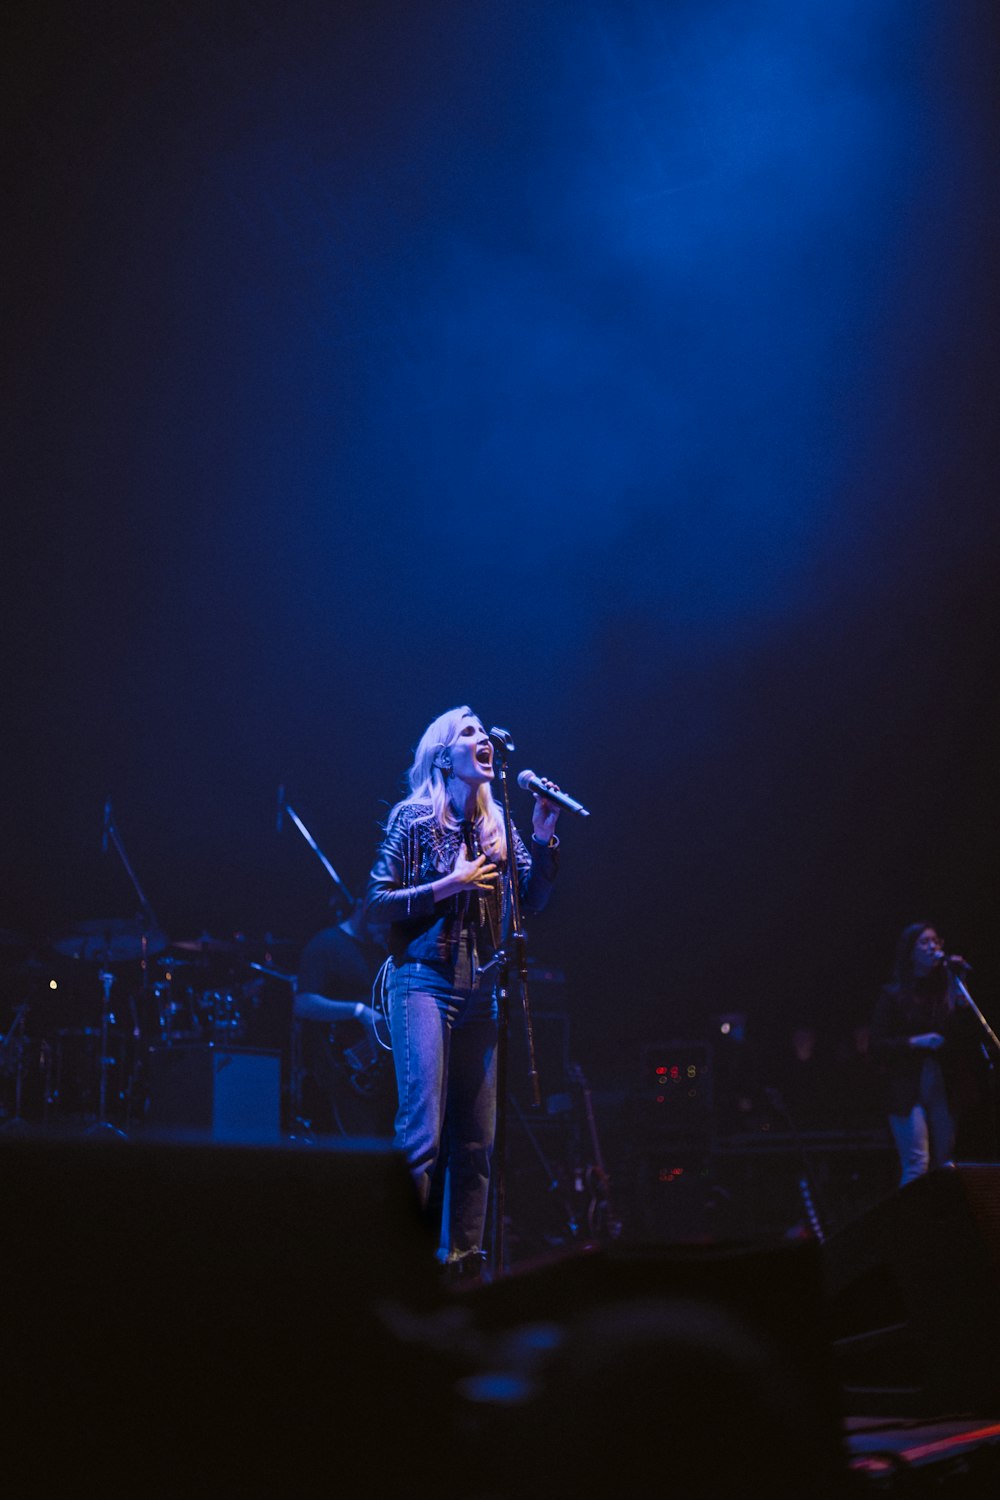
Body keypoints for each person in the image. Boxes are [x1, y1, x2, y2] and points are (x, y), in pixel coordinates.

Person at [365, 705, 561, 1281]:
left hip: (483, 990)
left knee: (477, 1143)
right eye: (468, 733)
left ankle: (465, 1267)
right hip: (423, 981)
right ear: (443, 755)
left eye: (485, 733)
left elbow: (533, 899)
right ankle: (401, 1265)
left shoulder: (499, 824)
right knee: (422, 1135)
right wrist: (447, 884)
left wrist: (544, 837)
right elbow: (377, 904)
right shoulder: (413, 818)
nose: (484, 740)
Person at [870, 922, 978, 1187]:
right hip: (906, 1086)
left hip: (941, 1084)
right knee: (917, 1162)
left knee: (944, 1163)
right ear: (910, 951)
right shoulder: (893, 995)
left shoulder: (944, 992)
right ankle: (909, 1225)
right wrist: (915, 1042)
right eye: (925, 942)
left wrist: (959, 983)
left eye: (936, 942)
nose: (933, 947)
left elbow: (962, 1033)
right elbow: (877, 1045)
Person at [293, 898, 394, 1137]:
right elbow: (303, 1003)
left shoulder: (381, 950)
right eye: (384, 917)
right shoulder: (325, 945)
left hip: (381, 1071)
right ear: (364, 906)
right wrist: (358, 1011)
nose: (388, 926)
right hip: (343, 1069)